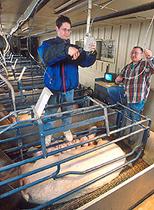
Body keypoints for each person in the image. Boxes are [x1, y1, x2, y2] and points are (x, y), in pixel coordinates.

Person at [38, 15, 97, 145]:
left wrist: (92, 53)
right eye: (64, 29)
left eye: (69, 30)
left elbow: (85, 62)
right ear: (57, 29)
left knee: (68, 114)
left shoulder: (74, 47)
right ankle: (48, 134)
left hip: (69, 90)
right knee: (50, 115)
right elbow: (47, 57)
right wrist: (66, 50)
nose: (67, 32)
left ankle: (66, 130)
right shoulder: (47, 45)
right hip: (53, 89)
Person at [115, 46, 154, 121]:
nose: (133, 55)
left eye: (136, 53)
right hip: (127, 98)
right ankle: (128, 132)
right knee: (127, 119)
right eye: (132, 53)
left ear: (141, 54)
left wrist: (150, 57)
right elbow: (118, 80)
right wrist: (117, 80)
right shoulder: (128, 67)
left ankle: (135, 132)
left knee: (135, 120)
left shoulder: (146, 64)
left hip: (137, 99)